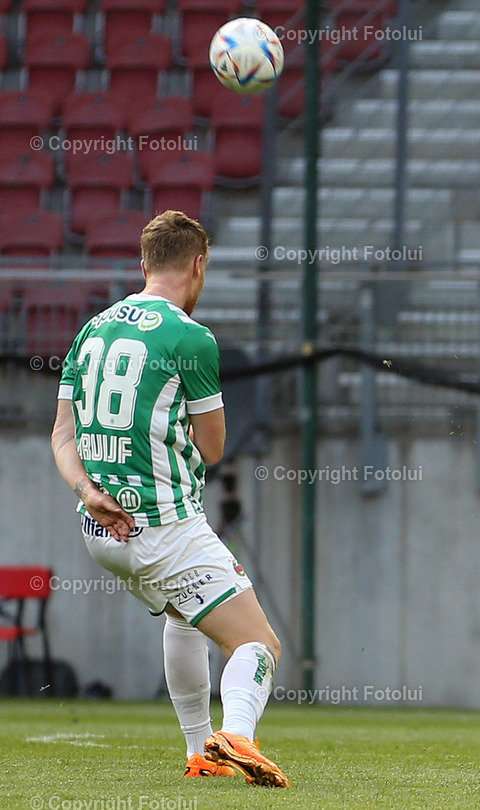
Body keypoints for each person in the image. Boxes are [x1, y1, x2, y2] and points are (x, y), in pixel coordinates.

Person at [50, 211, 291, 787]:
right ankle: (235, 735)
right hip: (161, 527)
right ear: (198, 265)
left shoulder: (95, 327)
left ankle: (198, 751)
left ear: (143, 264)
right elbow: (212, 448)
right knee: (258, 644)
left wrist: (89, 490)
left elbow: (61, 434)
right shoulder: (190, 336)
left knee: (186, 618)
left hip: (99, 526)